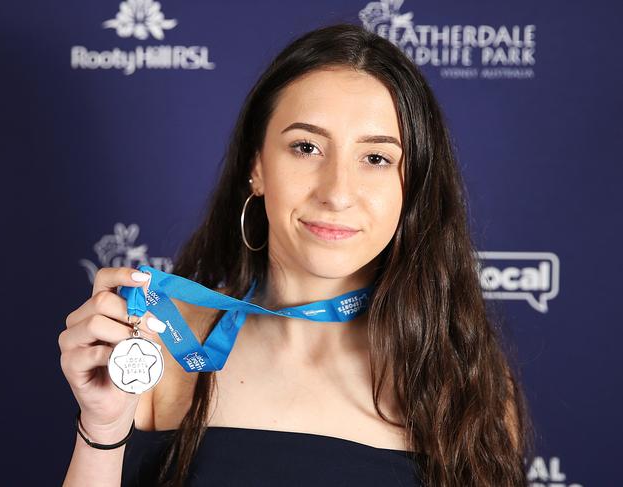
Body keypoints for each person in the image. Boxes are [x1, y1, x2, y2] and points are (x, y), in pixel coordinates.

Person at [58, 22, 534, 487]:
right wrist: (101, 429)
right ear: (258, 167)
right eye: (306, 147)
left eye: (376, 158)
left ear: (412, 187)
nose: (337, 193)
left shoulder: (462, 378)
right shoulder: (157, 345)